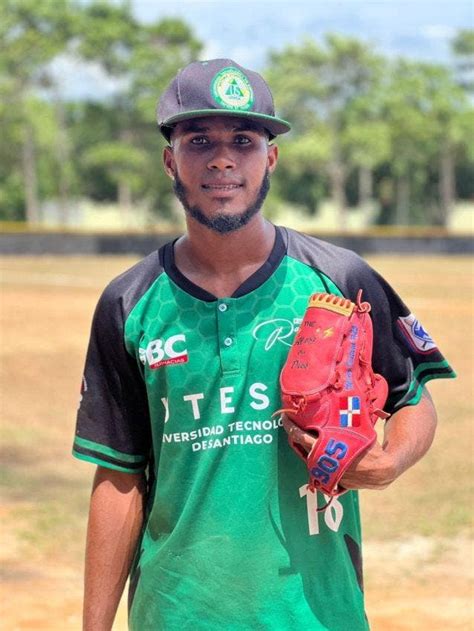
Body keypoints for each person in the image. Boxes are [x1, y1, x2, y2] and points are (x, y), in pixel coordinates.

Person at [73, 58, 455, 631]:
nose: (222, 158)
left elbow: (412, 395)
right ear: (169, 159)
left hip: (316, 612)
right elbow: (118, 476)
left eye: (244, 140)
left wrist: (391, 460)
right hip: (176, 613)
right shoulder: (128, 303)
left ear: (270, 157)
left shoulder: (339, 278)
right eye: (198, 139)